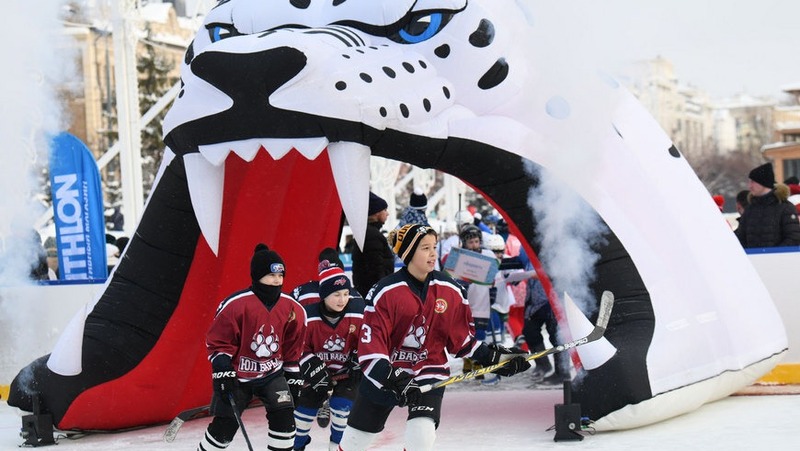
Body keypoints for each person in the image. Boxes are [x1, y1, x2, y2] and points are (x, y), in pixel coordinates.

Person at [337, 224, 531, 451]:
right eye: (424, 248)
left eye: (434, 247)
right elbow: (371, 349)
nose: (432, 253)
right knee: (353, 444)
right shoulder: (385, 292)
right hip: (385, 374)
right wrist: (392, 376)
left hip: (428, 372)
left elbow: (463, 342)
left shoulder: (450, 289)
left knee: (421, 439)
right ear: (408, 252)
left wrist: (495, 359)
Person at [198, 244, 308, 451]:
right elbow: (218, 341)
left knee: (285, 423)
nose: (277, 280)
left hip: (272, 374)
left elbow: (293, 345)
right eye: (270, 275)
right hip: (238, 377)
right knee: (223, 429)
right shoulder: (236, 305)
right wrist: (222, 368)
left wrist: (293, 374)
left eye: (280, 275)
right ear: (257, 276)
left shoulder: (292, 307)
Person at [293, 262, 365, 451]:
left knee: (342, 409)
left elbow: (369, 341)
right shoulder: (307, 316)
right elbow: (297, 348)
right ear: (324, 295)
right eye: (336, 295)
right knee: (301, 419)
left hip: (346, 374)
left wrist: (359, 359)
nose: (342, 300)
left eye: (346, 294)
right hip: (316, 374)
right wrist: (311, 366)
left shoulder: (358, 311)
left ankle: (337, 447)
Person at [734, 163, 800, 248]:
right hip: (753, 260)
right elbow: (741, 239)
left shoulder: (786, 208)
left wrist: (773, 255)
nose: (749, 186)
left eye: (753, 182)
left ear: (763, 183)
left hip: (780, 260)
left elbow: (793, 238)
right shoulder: (749, 210)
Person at [351, 192, 395, 297]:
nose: (387, 214)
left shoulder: (368, 232)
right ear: (376, 213)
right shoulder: (372, 235)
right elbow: (376, 268)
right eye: (384, 210)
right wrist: (383, 290)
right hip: (375, 292)